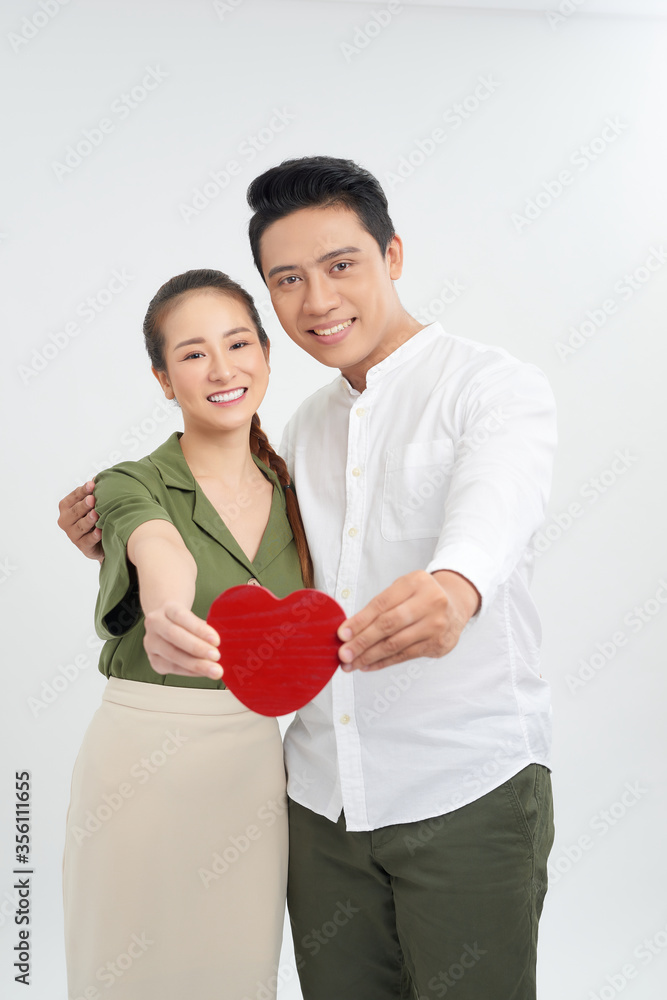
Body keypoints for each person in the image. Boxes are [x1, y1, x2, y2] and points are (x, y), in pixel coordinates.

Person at [59, 156, 558, 1000]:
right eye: (286, 279)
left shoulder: (490, 386)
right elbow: (207, 547)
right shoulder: (300, 428)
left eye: (340, 266)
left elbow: (494, 507)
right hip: (318, 801)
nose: (317, 301)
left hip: (462, 789)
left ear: (392, 255)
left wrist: (454, 587)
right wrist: (120, 531)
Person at [60, 268, 311, 1000]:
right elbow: (156, 547)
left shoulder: (307, 492)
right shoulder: (126, 481)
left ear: (266, 352)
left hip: (251, 767)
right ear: (164, 379)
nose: (223, 368)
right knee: (126, 971)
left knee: (235, 973)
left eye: (238, 343)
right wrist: (169, 613)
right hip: (140, 762)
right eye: (194, 353)